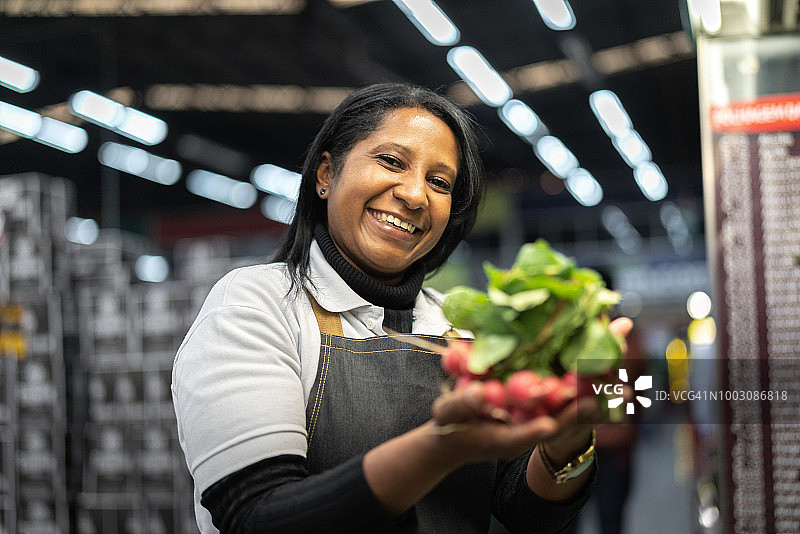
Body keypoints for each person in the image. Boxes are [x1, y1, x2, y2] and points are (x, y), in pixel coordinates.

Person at [172, 82, 633, 534]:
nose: (415, 196)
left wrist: (569, 438)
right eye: (391, 161)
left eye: (439, 182)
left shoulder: (461, 326)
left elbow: (528, 513)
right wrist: (440, 449)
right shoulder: (258, 305)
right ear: (326, 175)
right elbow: (259, 515)